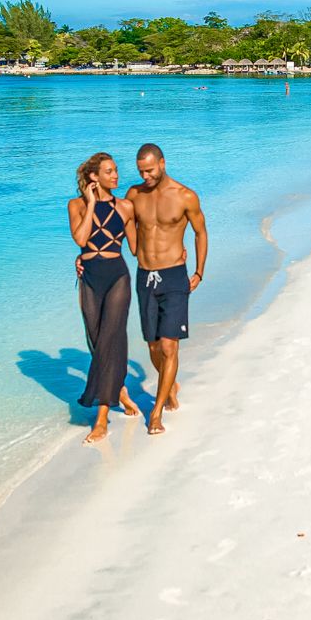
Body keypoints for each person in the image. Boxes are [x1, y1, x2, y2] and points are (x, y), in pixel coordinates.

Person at [126, 143, 209, 435]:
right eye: (140, 171)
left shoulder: (185, 196)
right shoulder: (134, 195)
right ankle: (168, 384)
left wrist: (199, 271)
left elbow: (200, 232)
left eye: (149, 170)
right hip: (145, 276)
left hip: (174, 276)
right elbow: (117, 225)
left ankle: (157, 411)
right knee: (152, 345)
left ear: (162, 163)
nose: (145, 175)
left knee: (168, 345)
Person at [66, 152, 139, 443]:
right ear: (94, 177)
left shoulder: (126, 207)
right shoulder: (76, 205)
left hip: (117, 276)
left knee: (111, 337)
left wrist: (173, 251)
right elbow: (81, 240)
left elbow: (136, 248)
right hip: (90, 279)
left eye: (116, 170)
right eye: (108, 172)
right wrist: (93, 203)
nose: (116, 176)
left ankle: (101, 418)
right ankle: (119, 388)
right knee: (96, 341)